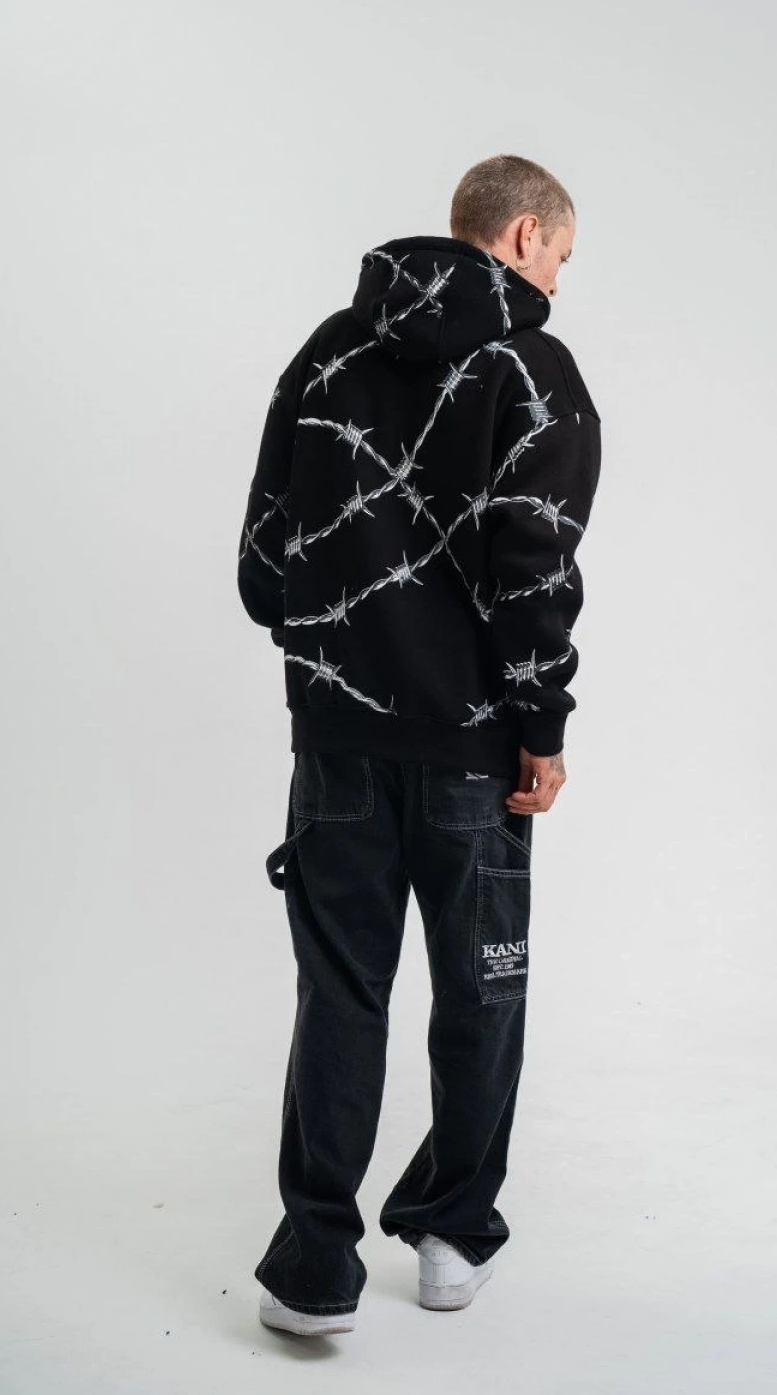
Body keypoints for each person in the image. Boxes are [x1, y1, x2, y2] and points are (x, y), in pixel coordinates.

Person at [237, 153, 603, 1337]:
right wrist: (541, 727)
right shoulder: (535, 371)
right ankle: (451, 1235)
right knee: (480, 992)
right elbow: (534, 568)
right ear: (525, 234)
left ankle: (312, 1270)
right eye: (562, 255)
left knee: (340, 993)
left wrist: (341, 649)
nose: (560, 280)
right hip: (476, 753)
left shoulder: (328, 352)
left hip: (335, 743)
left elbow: (264, 560)